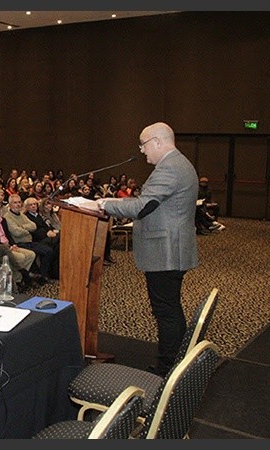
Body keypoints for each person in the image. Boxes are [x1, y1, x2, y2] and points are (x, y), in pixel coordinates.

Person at [90, 122, 199, 376]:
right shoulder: (180, 164)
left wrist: (106, 203)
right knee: (170, 308)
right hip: (172, 249)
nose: (142, 150)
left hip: (166, 252)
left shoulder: (169, 168)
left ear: (158, 142)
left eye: (144, 144)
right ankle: (176, 362)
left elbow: (143, 207)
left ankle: (168, 367)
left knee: (166, 311)